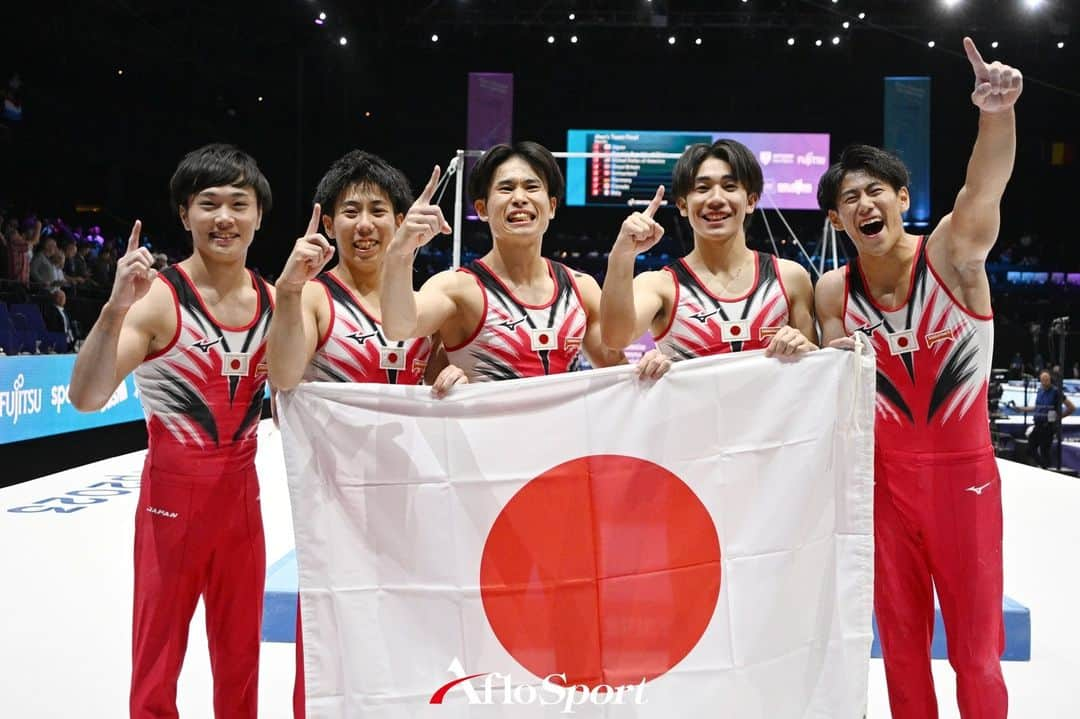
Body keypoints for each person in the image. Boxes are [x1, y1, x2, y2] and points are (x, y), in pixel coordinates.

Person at [814, 37, 1020, 719]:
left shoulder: (954, 254)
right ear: (837, 219)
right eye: (849, 198)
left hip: (964, 479)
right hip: (882, 487)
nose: (864, 203)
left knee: (975, 650)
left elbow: (982, 185)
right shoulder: (829, 293)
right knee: (899, 649)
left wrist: (997, 114)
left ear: (902, 197)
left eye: (876, 189)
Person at [69, 144, 275, 718]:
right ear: (185, 215)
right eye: (209, 203)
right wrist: (113, 310)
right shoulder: (158, 302)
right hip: (171, 507)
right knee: (157, 663)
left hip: (242, 505)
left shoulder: (277, 303)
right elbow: (86, 398)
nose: (225, 217)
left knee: (241, 666)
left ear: (260, 214)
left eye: (240, 203)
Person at [265, 150, 466, 718]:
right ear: (327, 222)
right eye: (349, 211)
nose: (365, 225)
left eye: (379, 210)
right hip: (337, 502)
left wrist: (448, 375)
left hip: (409, 494)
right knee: (329, 639)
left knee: (409, 632)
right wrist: (285, 293)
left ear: (401, 222)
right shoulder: (313, 298)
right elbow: (282, 376)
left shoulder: (419, 303)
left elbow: (441, 372)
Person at [379, 141, 668, 380]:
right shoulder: (456, 288)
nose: (519, 198)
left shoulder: (582, 288)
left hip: (564, 448)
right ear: (481, 209)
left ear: (551, 207)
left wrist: (648, 368)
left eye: (531, 187)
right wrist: (399, 254)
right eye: (506, 189)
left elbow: (615, 368)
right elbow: (399, 327)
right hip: (486, 446)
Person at [600, 139, 817, 359]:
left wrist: (804, 348)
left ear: (751, 201)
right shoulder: (660, 286)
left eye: (729, 186)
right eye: (702, 188)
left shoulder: (790, 278)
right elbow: (615, 339)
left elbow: (815, 370)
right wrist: (622, 255)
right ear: (683, 205)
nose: (715, 199)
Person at [1015, 370, 1075, 469]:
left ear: (1050, 380)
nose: (1044, 382)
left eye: (1046, 380)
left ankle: (1045, 469)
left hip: (1048, 427)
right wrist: (1021, 409)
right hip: (1038, 425)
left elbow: (1071, 407)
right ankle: (1042, 467)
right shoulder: (1040, 391)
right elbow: (1037, 407)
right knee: (1030, 449)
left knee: (1044, 452)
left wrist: (1058, 418)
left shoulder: (1056, 392)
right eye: (1042, 380)